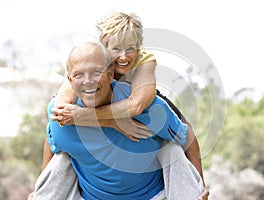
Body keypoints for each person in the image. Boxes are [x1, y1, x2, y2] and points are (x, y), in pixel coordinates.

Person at [36, 12, 209, 199]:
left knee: (174, 138)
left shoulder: (144, 61)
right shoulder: (90, 62)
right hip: (104, 103)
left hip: (138, 98)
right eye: (116, 48)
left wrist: (201, 184)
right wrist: (112, 122)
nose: (124, 56)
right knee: (62, 148)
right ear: (103, 47)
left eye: (131, 48)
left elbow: (136, 106)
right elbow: (56, 121)